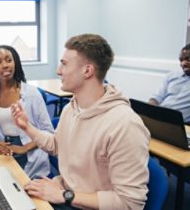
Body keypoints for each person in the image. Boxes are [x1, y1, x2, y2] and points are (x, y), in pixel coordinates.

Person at [11, 34, 150, 210]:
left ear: (87, 71)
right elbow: (57, 146)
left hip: (80, 203)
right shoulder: (72, 108)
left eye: (64, 64)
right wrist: (27, 127)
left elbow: (130, 203)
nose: (58, 70)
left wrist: (64, 195)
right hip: (66, 193)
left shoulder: (125, 125)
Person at [0, 45, 54, 179]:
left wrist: (24, 148)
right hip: (1, 149)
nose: (5, 65)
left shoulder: (32, 93)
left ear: (15, 63)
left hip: (31, 152)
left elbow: (49, 132)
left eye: (9, 60)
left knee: (23, 189)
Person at [149, 43, 190, 124]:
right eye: (181, 60)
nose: (183, 64)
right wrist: (149, 113)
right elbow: (156, 98)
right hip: (158, 118)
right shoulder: (171, 76)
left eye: (188, 59)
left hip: (180, 125)